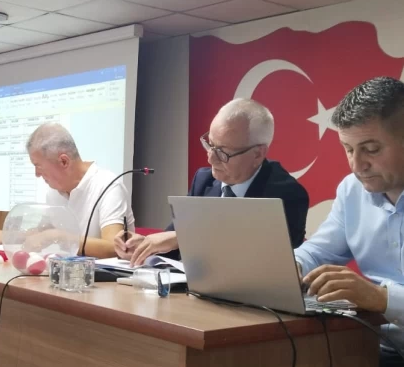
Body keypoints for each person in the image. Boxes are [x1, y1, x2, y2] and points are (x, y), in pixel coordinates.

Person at [296, 77, 404, 367]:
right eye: (348, 149)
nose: (357, 165)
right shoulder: (352, 190)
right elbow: (317, 252)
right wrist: (288, 268)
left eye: (371, 149)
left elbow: (380, 299)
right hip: (376, 348)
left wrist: (381, 298)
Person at [115, 98, 309, 266]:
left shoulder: (286, 195)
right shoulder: (204, 180)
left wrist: (183, 237)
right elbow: (173, 244)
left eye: (223, 152)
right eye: (210, 145)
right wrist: (143, 246)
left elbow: (259, 256)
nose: (211, 159)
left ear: (258, 154)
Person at [0, 123, 134, 258]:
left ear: (63, 161)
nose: (37, 174)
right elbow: (41, 234)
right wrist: (6, 236)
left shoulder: (108, 185)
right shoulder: (55, 191)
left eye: (38, 166)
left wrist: (59, 237)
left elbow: (114, 247)